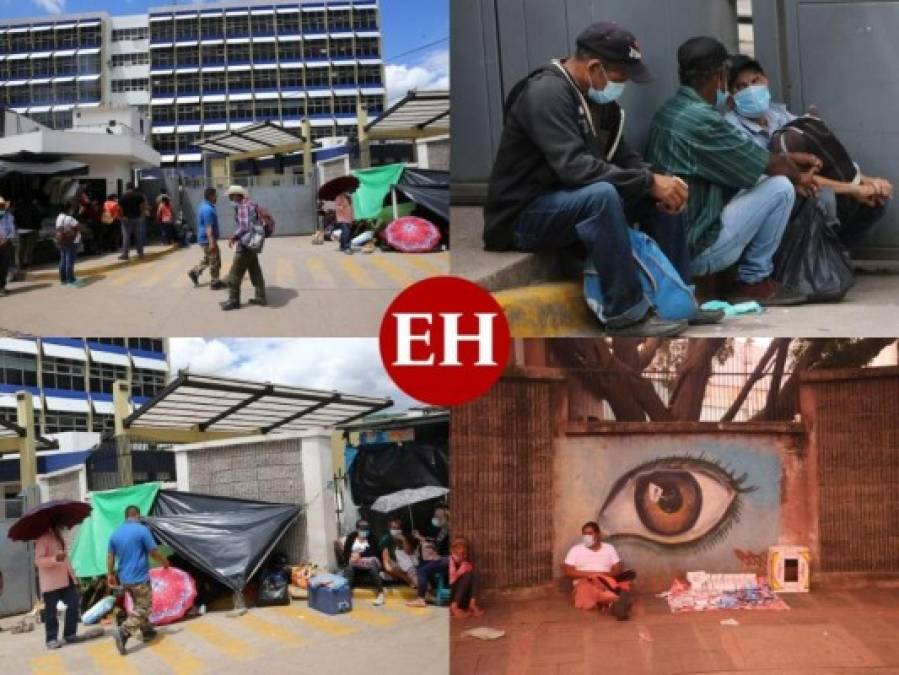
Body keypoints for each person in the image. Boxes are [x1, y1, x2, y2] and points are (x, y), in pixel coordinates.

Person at [482, 21, 707, 337]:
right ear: (595, 67)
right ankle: (625, 314)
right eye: (621, 75)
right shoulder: (546, 93)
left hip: (568, 203)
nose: (625, 82)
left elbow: (626, 159)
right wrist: (647, 181)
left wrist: (660, 184)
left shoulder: (605, 105)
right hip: (523, 216)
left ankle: (681, 300)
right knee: (602, 195)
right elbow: (574, 168)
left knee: (656, 191)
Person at [646, 37, 826, 306]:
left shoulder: (671, 110)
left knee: (767, 180)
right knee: (780, 188)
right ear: (720, 76)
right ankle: (753, 281)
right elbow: (765, 164)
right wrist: (796, 174)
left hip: (674, 240)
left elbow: (749, 162)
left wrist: (785, 162)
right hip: (696, 247)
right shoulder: (702, 119)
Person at [724, 54, 893, 249]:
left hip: (802, 185)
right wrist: (855, 189)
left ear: (766, 79)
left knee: (875, 200)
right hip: (771, 203)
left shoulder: (778, 114)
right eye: (741, 87)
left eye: (755, 81)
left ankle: (835, 258)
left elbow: (825, 159)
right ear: (731, 96)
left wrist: (867, 181)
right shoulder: (733, 130)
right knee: (822, 198)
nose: (751, 90)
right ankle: (809, 264)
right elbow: (793, 177)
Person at [107, 505, 170, 656]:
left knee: (138, 603)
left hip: (124, 578)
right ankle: (124, 631)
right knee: (145, 607)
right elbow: (153, 552)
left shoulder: (115, 533)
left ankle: (147, 631)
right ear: (137, 515)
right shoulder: (142, 530)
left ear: (126, 516)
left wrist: (110, 574)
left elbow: (110, 556)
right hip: (139, 577)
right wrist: (165, 562)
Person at [563, 521, 632, 619]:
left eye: (590, 534)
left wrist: (601, 575)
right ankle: (614, 602)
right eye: (585, 534)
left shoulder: (609, 548)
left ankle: (611, 601)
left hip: (605, 580)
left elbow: (617, 569)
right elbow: (568, 571)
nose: (587, 537)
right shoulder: (576, 550)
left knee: (598, 590)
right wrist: (592, 575)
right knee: (585, 597)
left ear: (598, 534)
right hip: (584, 582)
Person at [35, 518, 84, 649]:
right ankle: (51, 639)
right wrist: (54, 559)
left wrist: (74, 577)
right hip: (51, 582)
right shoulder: (43, 538)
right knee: (51, 612)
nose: (64, 526)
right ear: (54, 524)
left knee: (74, 604)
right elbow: (38, 561)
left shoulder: (59, 537)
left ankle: (70, 634)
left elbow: (66, 560)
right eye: (61, 524)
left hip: (66, 579)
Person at [221, 185, 267, 311]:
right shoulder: (252, 204)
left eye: (231, 196)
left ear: (237, 195)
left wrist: (234, 237)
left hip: (245, 244)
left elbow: (243, 226)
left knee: (235, 273)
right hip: (253, 243)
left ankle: (234, 300)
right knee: (255, 271)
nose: (230, 198)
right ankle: (261, 297)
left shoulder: (242, 206)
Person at [406, 505, 450, 608]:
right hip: (444, 558)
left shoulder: (448, 528)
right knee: (422, 566)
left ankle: (421, 599)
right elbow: (435, 543)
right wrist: (419, 537)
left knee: (423, 570)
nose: (435, 518)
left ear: (446, 516)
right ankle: (425, 594)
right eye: (435, 516)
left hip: (449, 558)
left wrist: (441, 556)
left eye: (438, 516)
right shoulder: (443, 529)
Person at [340, 519, 386, 606]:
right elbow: (346, 552)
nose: (364, 532)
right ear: (357, 529)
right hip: (354, 565)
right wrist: (351, 557)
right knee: (349, 569)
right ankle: (346, 595)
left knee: (373, 570)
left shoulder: (371, 537)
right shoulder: (351, 537)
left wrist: (360, 555)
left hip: (367, 565)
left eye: (366, 529)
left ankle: (380, 595)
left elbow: (375, 552)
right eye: (362, 529)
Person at [188, 187, 225, 289]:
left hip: (204, 239)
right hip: (207, 239)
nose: (216, 197)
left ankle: (194, 272)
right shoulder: (208, 209)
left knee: (209, 258)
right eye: (215, 195)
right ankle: (215, 282)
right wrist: (212, 242)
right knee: (215, 259)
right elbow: (208, 227)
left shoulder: (204, 206)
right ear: (210, 196)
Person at [449, 537, 483, 619]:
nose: (462, 550)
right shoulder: (450, 561)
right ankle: (454, 607)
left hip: (462, 598)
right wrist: (460, 571)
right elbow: (450, 582)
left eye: (464, 548)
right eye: (459, 548)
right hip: (451, 596)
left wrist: (466, 567)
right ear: (453, 550)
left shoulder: (464, 562)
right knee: (467, 574)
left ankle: (472, 604)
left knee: (475, 571)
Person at [379, 517, 418, 588]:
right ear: (389, 529)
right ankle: (408, 580)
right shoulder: (386, 539)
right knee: (386, 571)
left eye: (398, 528)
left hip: (407, 563)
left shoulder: (406, 536)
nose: (396, 531)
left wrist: (404, 540)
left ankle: (400, 577)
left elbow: (409, 552)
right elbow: (386, 563)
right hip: (395, 564)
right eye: (393, 528)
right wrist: (405, 578)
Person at [55, 200, 84, 288]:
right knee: (69, 261)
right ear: (69, 208)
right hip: (70, 242)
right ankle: (70, 279)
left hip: (61, 241)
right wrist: (79, 213)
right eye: (72, 207)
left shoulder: (59, 217)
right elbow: (79, 226)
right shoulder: (69, 218)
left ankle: (63, 279)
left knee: (63, 260)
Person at [12, 197, 41, 276]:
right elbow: (38, 218)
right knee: (29, 249)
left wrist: (17, 227)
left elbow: (15, 220)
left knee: (21, 249)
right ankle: (29, 266)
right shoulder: (33, 208)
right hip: (31, 230)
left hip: (21, 231)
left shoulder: (17, 209)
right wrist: (38, 228)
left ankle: (20, 266)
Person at [118, 182, 147, 261]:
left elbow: (120, 208)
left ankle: (125, 254)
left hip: (126, 219)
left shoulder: (123, 196)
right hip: (137, 218)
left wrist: (121, 217)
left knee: (126, 237)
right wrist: (142, 216)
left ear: (126, 187)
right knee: (138, 236)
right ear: (133, 187)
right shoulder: (139, 196)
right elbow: (142, 207)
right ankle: (140, 253)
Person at [0, 197, 14, 297]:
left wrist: (5, 238)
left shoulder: (8, 216)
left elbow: (12, 230)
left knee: (4, 266)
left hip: (5, 243)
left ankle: (2, 287)